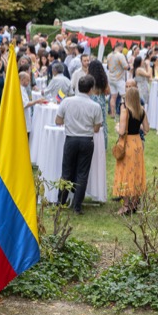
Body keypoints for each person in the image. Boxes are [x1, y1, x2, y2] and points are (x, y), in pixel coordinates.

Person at [55, 75, 103, 215]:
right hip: (86, 140)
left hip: (71, 138)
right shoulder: (95, 106)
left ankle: (61, 202)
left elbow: (58, 121)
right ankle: (77, 206)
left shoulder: (67, 102)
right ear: (91, 89)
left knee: (66, 172)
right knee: (82, 173)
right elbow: (96, 128)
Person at [113, 87, 149, 215]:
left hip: (127, 143)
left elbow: (122, 131)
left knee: (126, 172)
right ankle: (134, 203)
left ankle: (126, 205)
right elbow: (146, 129)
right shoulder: (141, 111)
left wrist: (117, 127)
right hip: (137, 143)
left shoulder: (125, 111)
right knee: (136, 172)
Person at [20, 71, 47, 140]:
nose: (29, 82)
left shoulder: (23, 88)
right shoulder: (20, 89)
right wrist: (37, 101)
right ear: (22, 80)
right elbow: (25, 104)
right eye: (27, 80)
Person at [107, 43, 129, 117]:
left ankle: (112, 113)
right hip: (119, 78)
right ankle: (124, 112)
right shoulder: (120, 55)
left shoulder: (109, 55)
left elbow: (107, 67)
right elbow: (125, 66)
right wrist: (129, 66)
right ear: (120, 47)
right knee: (124, 96)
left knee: (113, 97)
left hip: (111, 78)